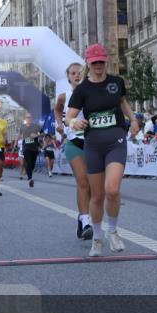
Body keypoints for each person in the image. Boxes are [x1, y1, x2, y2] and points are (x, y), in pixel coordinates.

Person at [67, 45, 140, 256]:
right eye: (94, 62)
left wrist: (133, 119)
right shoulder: (82, 89)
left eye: (101, 62)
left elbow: (123, 103)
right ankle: (97, 238)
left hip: (115, 139)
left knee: (113, 189)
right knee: (97, 196)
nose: (98, 66)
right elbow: (69, 116)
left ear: (106, 61)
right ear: (88, 63)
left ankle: (114, 231)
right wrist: (74, 123)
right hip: (93, 145)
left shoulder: (116, 83)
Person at [56, 62, 94, 240]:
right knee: (83, 182)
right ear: (68, 77)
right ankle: (86, 221)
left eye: (80, 73)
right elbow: (57, 110)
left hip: (93, 142)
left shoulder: (92, 94)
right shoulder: (64, 96)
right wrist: (60, 124)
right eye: (73, 73)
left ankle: (82, 217)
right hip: (74, 142)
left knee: (93, 187)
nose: (77, 75)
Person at [19, 113, 43, 188]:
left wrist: (36, 135)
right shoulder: (22, 127)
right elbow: (20, 135)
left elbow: (43, 133)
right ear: (25, 119)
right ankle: (30, 179)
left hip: (34, 148)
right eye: (27, 117)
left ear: (31, 118)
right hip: (26, 148)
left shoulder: (36, 126)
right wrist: (19, 139)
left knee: (32, 164)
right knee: (28, 162)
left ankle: (28, 172)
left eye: (30, 117)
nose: (28, 119)